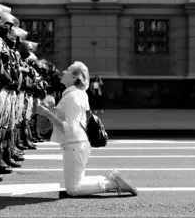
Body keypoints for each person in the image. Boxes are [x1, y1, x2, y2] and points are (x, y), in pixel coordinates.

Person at [35, 61, 138, 197]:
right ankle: (112, 178)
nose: (64, 72)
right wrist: (52, 110)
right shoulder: (72, 94)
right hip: (74, 144)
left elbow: (70, 128)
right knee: (74, 184)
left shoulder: (74, 96)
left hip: (75, 144)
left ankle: (114, 183)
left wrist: (47, 113)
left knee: (74, 189)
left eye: (67, 70)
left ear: (74, 78)